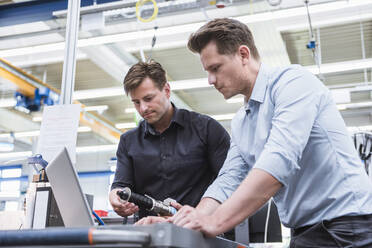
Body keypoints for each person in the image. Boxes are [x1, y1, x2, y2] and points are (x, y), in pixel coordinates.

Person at [170, 18, 372, 247]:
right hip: (304, 233)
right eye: (207, 71)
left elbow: (280, 159)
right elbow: (228, 180)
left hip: (346, 227)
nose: (211, 80)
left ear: (243, 55)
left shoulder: (293, 83)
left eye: (215, 68)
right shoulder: (241, 121)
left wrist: (216, 221)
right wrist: (193, 218)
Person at [109, 60, 230, 220]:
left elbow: (230, 180)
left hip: (201, 232)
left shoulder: (206, 129)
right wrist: (115, 198)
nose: (143, 108)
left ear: (166, 90)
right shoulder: (128, 141)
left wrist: (201, 214)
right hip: (151, 235)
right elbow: (121, 185)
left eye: (148, 98)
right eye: (136, 102)